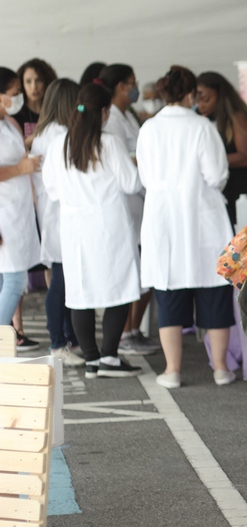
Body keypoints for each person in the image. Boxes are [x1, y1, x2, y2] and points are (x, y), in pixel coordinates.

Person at [136, 66, 235, 389]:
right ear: (190, 93)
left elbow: (145, 177)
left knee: (169, 295)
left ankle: (172, 370)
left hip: (163, 219)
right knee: (213, 292)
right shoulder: (202, 127)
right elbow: (216, 175)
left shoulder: (149, 128)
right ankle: (220, 368)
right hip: (202, 218)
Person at [41, 82, 143, 378]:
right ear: (104, 112)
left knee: (79, 293)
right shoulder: (108, 143)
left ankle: (91, 360)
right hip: (108, 225)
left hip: (74, 229)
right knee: (120, 289)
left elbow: (51, 190)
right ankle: (110, 356)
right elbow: (131, 183)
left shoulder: (58, 144)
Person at [98, 64, 159, 355]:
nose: (135, 89)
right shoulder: (111, 121)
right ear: (121, 86)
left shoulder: (127, 115)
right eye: (132, 83)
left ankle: (133, 330)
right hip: (127, 200)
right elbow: (123, 162)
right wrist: (141, 159)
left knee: (143, 270)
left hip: (140, 199)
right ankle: (125, 333)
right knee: (131, 269)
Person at [30, 78, 83, 366]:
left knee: (63, 277)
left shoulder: (46, 132)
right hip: (59, 214)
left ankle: (68, 338)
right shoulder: (59, 134)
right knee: (61, 280)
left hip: (54, 213)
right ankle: (58, 343)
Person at [197, 72, 247, 224]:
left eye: (206, 99)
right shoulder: (210, 120)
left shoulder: (238, 117)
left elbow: (246, 157)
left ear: (220, 95)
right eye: (197, 101)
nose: (201, 105)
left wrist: (210, 161)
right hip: (234, 190)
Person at [0, 67, 41, 336]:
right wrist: (19, 169)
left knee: (7, 279)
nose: (19, 98)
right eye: (14, 93)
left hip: (17, 210)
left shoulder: (9, 122)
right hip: (4, 213)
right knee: (15, 280)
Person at [15, 58, 57, 148]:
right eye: (28, 81)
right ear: (21, 84)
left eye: (39, 80)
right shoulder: (16, 113)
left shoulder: (55, 111)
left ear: (47, 82)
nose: (34, 87)